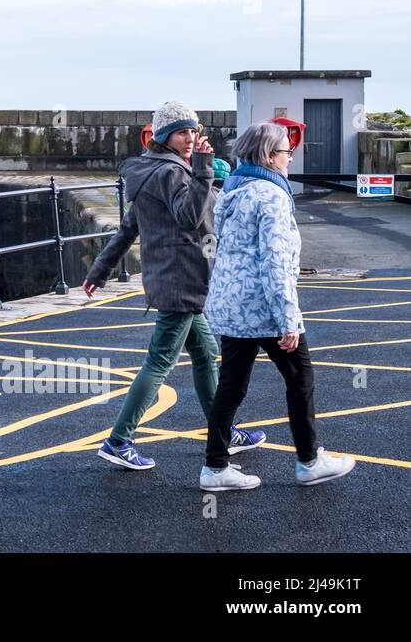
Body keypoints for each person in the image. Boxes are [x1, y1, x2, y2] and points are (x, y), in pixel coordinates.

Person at [83, 100, 265, 470]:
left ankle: (224, 430)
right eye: (183, 132)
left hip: (175, 279)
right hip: (181, 280)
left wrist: (98, 270)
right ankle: (119, 440)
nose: (190, 138)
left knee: (204, 353)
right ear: (165, 135)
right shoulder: (171, 173)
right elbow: (189, 218)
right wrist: (201, 170)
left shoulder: (150, 170)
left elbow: (129, 227)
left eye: (194, 131)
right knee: (160, 362)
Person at [198, 122, 355, 490]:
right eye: (286, 151)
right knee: (300, 379)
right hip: (264, 307)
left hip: (234, 306)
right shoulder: (271, 195)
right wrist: (288, 320)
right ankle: (309, 461)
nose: (290, 157)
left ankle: (215, 468)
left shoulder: (233, 190)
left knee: (231, 387)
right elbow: (275, 259)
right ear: (270, 156)